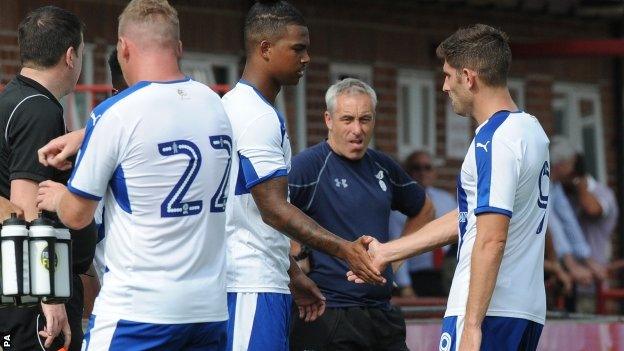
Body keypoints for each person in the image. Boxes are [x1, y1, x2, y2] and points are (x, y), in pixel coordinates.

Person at [36, 0, 232, 349]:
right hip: (209, 310)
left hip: (140, 311)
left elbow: (78, 215)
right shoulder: (214, 103)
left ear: (123, 48)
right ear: (180, 48)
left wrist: (57, 196)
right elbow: (165, 125)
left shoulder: (115, 115)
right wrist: (86, 137)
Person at [348, 24, 550, 350]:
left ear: (468, 77)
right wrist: (388, 252)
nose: (444, 86)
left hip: (488, 312)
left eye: (448, 75)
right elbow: (473, 216)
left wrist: (471, 326)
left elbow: (492, 238)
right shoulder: (531, 129)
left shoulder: (493, 141)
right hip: (523, 308)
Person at [221, 2, 383, 350]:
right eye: (298, 49)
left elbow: (252, 211)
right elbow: (273, 209)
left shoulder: (243, 106)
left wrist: (292, 273)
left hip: (258, 276)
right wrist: (345, 250)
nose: (307, 58)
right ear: (265, 49)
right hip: (250, 281)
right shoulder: (254, 115)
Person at [287, 78, 433, 350]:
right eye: (347, 119)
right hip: (328, 312)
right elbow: (267, 213)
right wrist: (295, 257)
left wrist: (395, 255)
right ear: (328, 120)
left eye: (365, 119)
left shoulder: (382, 165)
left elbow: (424, 208)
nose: (357, 129)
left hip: (382, 312)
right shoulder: (307, 166)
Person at [0, 6, 97, 351]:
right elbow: (23, 206)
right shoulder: (38, 109)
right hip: (32, 302)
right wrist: (49, 295)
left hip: (19, 292)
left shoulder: (13, 98)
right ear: (71, 56)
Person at [389, 150, 456, 297]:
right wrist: (405, 285)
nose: (422, 172)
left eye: (427, 167)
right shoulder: (398, 205)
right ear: (407, 172)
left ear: (435, 172)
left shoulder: (447, 200)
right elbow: (397, 245)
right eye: (416, 167)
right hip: (417, 277)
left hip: (449, 275)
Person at [548, 136, 606, 287]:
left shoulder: (555, 185)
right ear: (560, 165)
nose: (573, 169)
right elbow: (550, 222)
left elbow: (568, 219)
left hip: (555, 260)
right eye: (571, 163)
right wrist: (572, 264)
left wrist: (588, 259)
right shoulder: (543, 183)